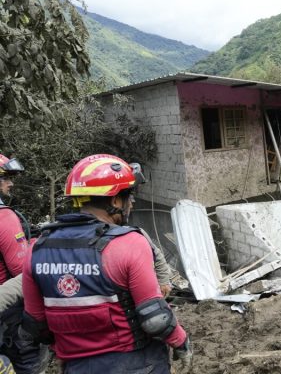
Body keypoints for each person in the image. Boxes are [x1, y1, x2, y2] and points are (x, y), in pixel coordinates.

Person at [20, 154, 192, 374]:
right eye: (128, 196)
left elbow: (35, 324)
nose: (131, 203)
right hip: (136, 363)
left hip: (76, 366)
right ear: (114, 201)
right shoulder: (128, 243)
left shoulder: (38, 248)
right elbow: (155, 318)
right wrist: (181, 342)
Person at [0, 154, 44, 374]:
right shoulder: (5, 217)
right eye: (5, 178)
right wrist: (34, 245)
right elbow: (21, 269)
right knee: (26, 362)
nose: (11, 183)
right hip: (7, 314)